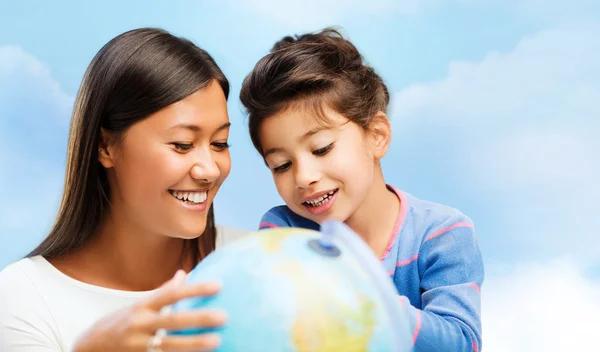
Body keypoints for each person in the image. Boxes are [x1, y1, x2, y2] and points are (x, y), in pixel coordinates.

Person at [239, 28, 484, 352]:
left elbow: (461, 344)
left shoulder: (443, 234)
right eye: (282, 165)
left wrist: (361, 298)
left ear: (377, 135)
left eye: (322, 149)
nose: (304, 177)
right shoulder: (284, 231)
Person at [0, 27, 234, 352]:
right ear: (105, 146)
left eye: (220, 143)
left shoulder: (257, 261)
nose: (210, 169)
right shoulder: (26, 296)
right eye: (182, 145)